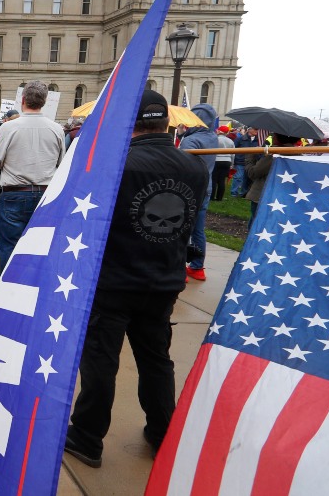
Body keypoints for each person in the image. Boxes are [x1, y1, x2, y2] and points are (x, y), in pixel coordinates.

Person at [63, 90, 207, 468]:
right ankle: (163, 432)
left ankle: (87, 436)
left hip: (114, 280)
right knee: (157, 360)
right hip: (163, 280)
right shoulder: (194, 168)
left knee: (101, 362)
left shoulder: (115, 164)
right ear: (167, 122)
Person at [0, 81, 65, 272]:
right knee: (39, 249)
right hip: (44, 195)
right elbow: (60, 163)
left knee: (9, 248)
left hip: (14, 194)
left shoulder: (8, 128)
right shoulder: (56, 129)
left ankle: (9, 292)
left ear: (23, 100)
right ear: (44, 101)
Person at [178, 102, 218, 282]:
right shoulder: (212, 137)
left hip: (189, 189)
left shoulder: (190, 140)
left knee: (182, 228)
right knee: (198, 230)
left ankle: (179, 267)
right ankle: (197, 267)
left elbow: (182, 167)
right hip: (206, 188)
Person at [230, 126, 258, 197]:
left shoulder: (258, 140)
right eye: (255, 129)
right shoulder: (240, 139)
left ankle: (244, 193)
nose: (257, 131)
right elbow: (233, 149)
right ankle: (234, 193)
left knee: (248, 179)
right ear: (249, 130)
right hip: (240, 161)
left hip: (251, 162)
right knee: (238, 177)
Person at [211, 125, 235, 201]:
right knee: (222, 180)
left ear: (220, 131)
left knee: (213, 180)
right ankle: (219, 198)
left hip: (216, 160)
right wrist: (231, 164)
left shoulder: (215, 139)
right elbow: (233, 153)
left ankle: (211, 197)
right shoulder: (230, 141)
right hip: (227, 161)